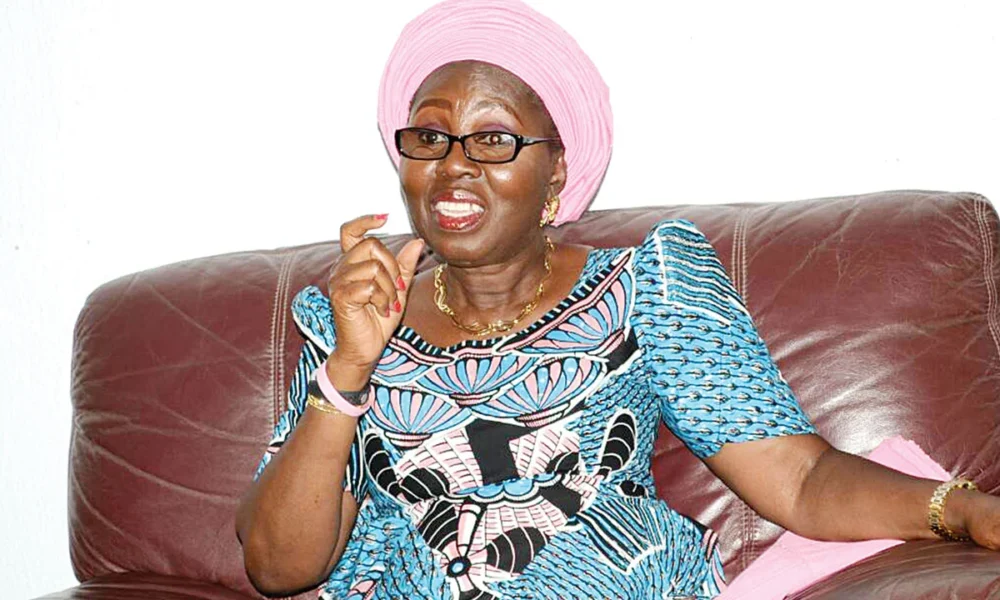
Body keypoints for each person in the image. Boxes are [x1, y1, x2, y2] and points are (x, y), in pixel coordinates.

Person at [236, 1, 1000, 598]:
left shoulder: (645, 287)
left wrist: (958, 509)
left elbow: (799, 480)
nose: (454, 165)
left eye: (493, 139)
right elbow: (277, 567)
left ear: (556, 174)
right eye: (429, 138)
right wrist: (347, 371)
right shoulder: (352, 319)